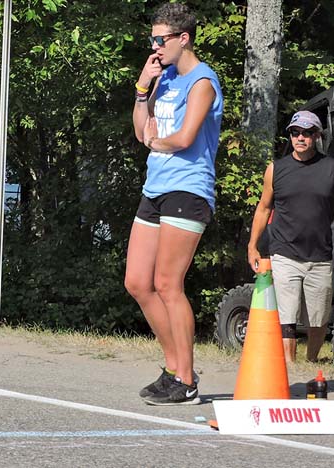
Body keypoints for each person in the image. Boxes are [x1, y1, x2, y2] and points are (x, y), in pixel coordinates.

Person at [126, 3, 224, 406]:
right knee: (137, 282)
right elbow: (139, 129)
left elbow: (184, 138)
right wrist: (142, 88)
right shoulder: (162, 78)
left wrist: (155, 141)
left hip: (188, 188)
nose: (155, 47)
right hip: (156, 186)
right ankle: (173, 369)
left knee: (168, 284)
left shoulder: (203, 82)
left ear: (183, 38)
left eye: (160, 40)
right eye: (152, 39)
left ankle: (186, 379)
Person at [247, 110, 334, 364]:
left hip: (321, 255)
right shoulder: (276, 169)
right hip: (284, 253)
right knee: (287, 316)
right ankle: (288, 365)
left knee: (318, 319)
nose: (300, 137)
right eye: (295, 133)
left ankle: (311, 360)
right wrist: (253, 246)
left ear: (317, 136)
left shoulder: (330, 168)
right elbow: (263, 208)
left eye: (307, 133)